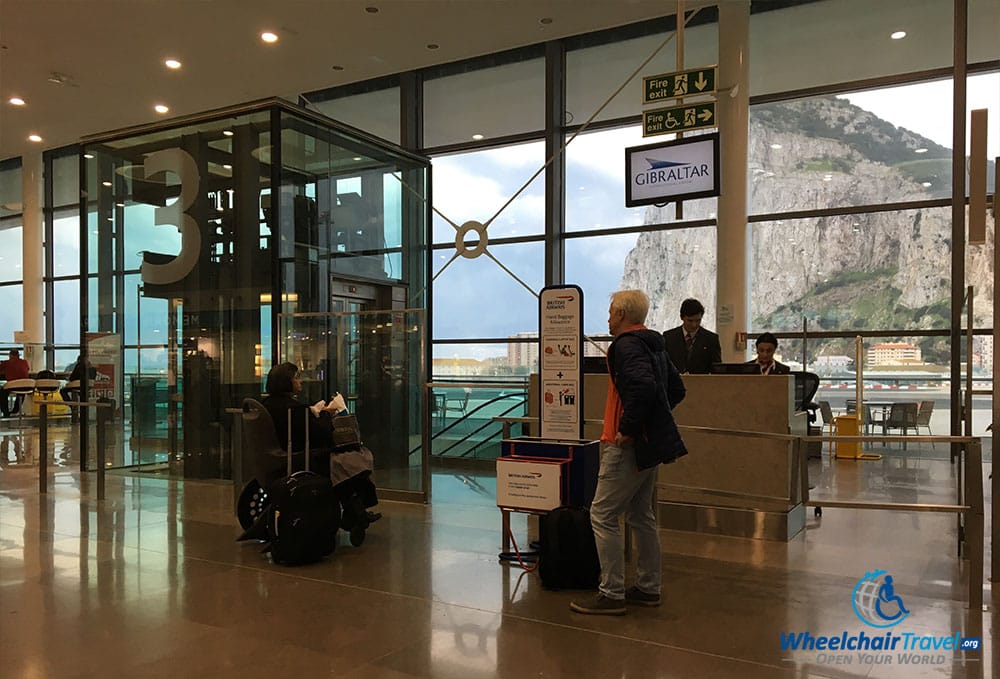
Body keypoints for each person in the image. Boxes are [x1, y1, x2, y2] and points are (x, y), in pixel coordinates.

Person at [571, 290, 687, 616]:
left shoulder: (625, 346)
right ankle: (649, 587)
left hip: (625, 446)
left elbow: (644, 388)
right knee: (641, 516)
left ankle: (612, 593)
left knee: (602, 514)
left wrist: (629, 428)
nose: (607, 318)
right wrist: (652, 421)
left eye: (610, 312)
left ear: (621, 314)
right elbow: (675, 389)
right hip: (648, 447)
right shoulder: (654, 345)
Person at [261, 363, 380, 526]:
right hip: (302, 456)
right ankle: (355, 510)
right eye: (296, 378)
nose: (299, 382)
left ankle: (355, 510)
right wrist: (325, 413)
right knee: (354, 460)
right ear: (286, 382)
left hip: (287, 453)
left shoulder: (268, 405)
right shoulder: (292, 409)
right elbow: (319, 432)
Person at [662, 298, 722, 374]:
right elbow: (663, 365)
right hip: (675, 383)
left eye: (698, 320)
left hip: (701, 384)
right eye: (690, 321)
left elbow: (717, 370)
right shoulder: (668, 337)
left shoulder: (711, 339)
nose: (694, 325)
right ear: (682, 317)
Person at [62, 355, 97, 423]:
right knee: (82, 397)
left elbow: (72, 378)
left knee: (63, 391)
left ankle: (72, 406)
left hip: (77, 386)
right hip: (87, 387)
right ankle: (82, 416)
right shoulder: (93, 368)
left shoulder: (79, 366)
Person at [0, 349, 31, 418]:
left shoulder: (6, 363)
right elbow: (27, 370)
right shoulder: (24, 362)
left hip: (13, 385)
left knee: (2, 392)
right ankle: (15, 410)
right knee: (21, 392)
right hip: (25, 386)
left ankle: (6, 412)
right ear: (18, 355)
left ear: (10, 355)